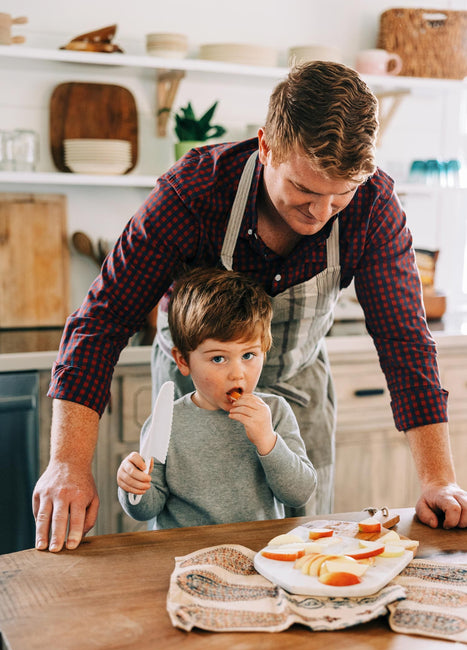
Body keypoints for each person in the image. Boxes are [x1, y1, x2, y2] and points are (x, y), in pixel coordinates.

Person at [34, 60, 467, 552]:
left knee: (306, 547)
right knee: (190, 541)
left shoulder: (374, 209)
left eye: (340, 195)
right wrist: (68, 463)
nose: (321, 214)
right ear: (266, 147)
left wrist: (439, 478)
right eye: (304, 189)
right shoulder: (194, 193)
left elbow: (404, 342)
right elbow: (103, 319)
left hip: (300, 391)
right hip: (191, 390)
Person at [117, 267, 317, 527]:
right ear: (183, 360)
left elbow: (299, 493)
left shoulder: (275, 412)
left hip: (255, 556)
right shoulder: (167, 421)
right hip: (187, 558)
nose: (237, 374)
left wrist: (268, 442)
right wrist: (133, 487)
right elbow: (146, 510)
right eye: (218, 358)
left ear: (264, 352)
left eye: (248, 355)